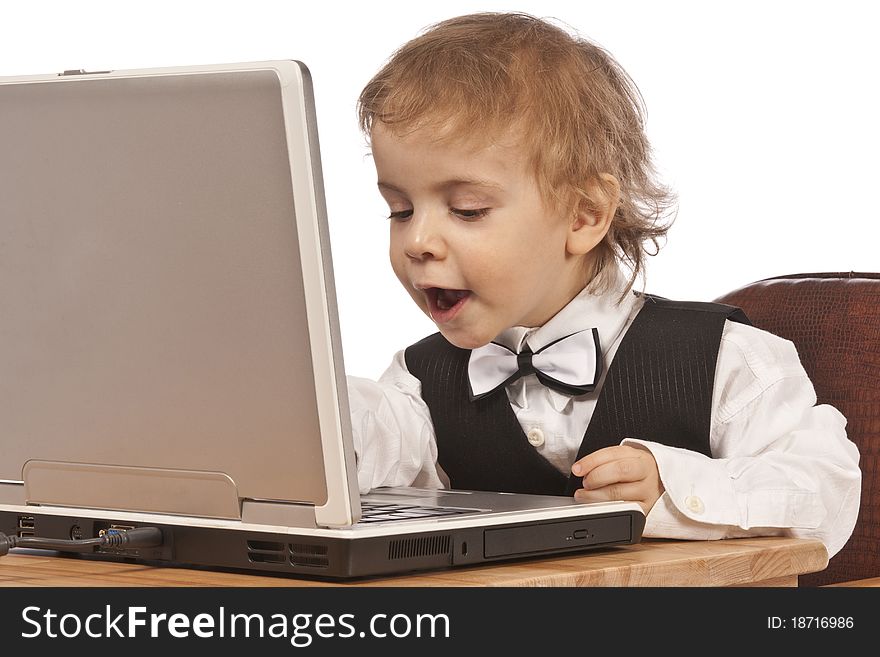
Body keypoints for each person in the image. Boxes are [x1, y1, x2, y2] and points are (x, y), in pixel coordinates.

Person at [345, 11, 861, 558]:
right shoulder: (418, 383)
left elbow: (826, 492)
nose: (418, 240)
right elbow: (365, 441)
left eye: (467, 210)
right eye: (399, 210)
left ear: (584, 215)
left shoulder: (726, 360)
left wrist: (678, 488)